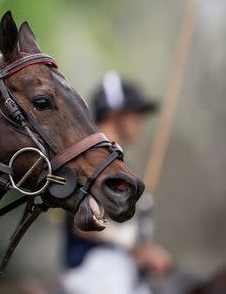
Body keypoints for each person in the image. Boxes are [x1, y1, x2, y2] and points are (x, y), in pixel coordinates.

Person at [61, 71, 173, 294]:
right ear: (115, 115)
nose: (139, 122)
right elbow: (81, 222)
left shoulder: (117, 161)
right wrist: (134, 243)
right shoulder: (87, 159)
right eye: (135, 113)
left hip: (120, 263)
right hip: (94, 266)